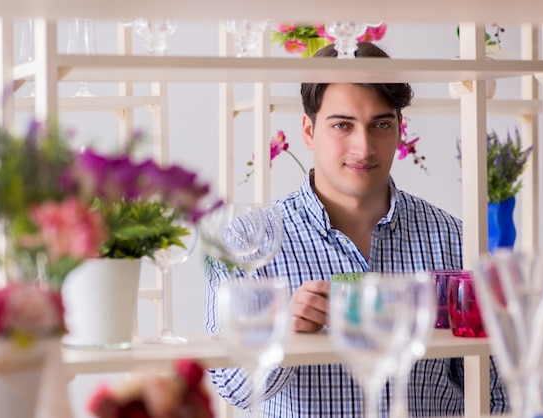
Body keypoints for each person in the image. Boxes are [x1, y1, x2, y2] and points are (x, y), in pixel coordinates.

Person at [204, 42, 509, 417]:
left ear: (399, 130)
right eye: (342, 125)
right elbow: (233, 388)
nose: (363, 147)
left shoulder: (456, 240)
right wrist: (283, 335)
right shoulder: (245, 242)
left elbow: (493, 394)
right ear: (308, 131)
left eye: (380, 124)